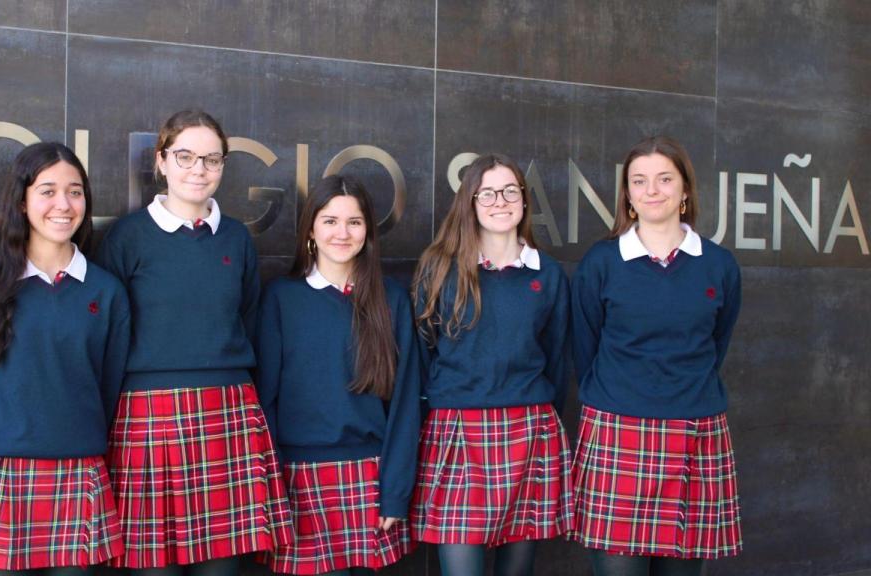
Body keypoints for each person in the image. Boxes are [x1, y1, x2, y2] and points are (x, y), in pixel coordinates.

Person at [95, 109, 292, 575]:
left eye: (211, 159)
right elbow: (107, 336)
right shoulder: (126, 237)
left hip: (229, 412)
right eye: (185, 156)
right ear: (161, 162)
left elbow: (244, 318)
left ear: (223, 167)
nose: (198, 169)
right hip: (146, 416)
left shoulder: (237, 239)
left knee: (222, 568)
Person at [0, 142, 130, 575]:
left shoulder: (106, 291)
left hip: (80, 474)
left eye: (75, 191)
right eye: (47, 190)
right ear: (22, 202)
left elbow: (109, 386)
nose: (63, 204)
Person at [569, 135, 743, 576]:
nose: (653, 190)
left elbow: (714, 345)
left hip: (695, 431)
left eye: (665, 179)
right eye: (640, 181)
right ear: (627, 195)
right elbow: (584, 347)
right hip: (617, 432)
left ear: (685, 190)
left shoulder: (718, 265)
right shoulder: (602, 262)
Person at [410, 153, 573, 576]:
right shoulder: (439, 268)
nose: (500, 201)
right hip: (458, 429)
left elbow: (555, 359)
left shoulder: (548, 275)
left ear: (524, 200)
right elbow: (425, 352)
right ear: (470, 202)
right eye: (487, 193)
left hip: (528, 427)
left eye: (510, 191)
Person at [256, 174, 421, 575]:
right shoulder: (282, 297)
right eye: (330, 221)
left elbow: (405, 405)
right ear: (310, 229)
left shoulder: (391, 299)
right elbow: (266, 402)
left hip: (370, 479)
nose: (342, 233)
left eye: (354, 221)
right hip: (299, 482)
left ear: (368, 231)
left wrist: (395, 493)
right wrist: (272, 491)